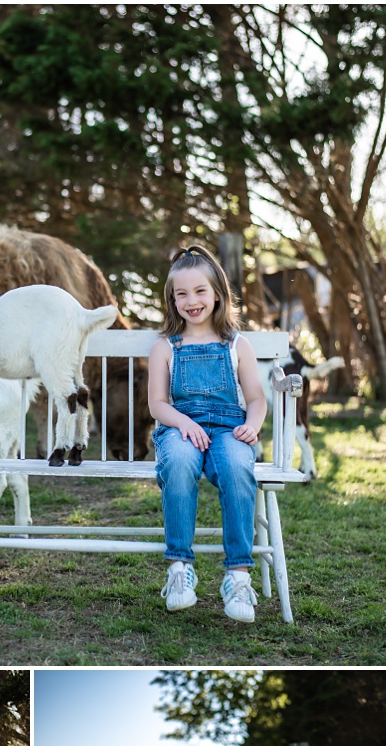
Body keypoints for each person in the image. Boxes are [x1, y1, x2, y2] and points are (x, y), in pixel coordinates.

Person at [148, 245, 267, 620]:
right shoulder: (165, 346)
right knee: (180, 464)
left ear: (218, 293)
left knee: (235, 468)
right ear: (171, 301)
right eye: (181, 294)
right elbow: (158, 405)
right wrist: (184, 423)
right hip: (180, 427)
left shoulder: (236, 345)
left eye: (200, 291)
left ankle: (237, 577)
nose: (191, 301)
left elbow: (257, 399)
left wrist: (251, 426)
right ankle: (179, 569)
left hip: (230, 428)